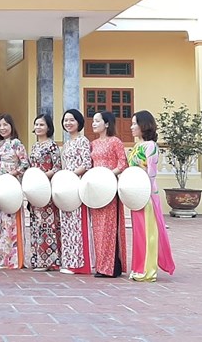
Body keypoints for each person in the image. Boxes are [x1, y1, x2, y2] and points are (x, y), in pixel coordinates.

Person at [128, 110, 176, 282]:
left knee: (148, 231)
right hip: (135, 194)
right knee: (138, 233)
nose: (132, 127)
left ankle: (148, 270)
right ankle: (138, 267)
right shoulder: (136, 146)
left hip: (146, 194)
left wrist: (144, 190)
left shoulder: (151, 146)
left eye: (135, 123)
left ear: (144, 125)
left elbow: (151, 173)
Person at [88, 111, 130, 278]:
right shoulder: (93, 144)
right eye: (93, 121)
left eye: (97, 121)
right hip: (96, 189)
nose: (93, 123)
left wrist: (108, 175)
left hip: (110, 187)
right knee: (98, 228)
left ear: (106, 124)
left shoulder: (115, 142)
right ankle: (100, 265)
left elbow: (123, 163)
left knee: (109, 228)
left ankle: (111, 267)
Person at [59, 109, 94, 275]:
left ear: (79, 122)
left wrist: (71, 176)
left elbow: (86, 164)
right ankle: (70, 262)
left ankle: (81, 265)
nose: (68, 123)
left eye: (71, 120)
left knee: (78, 225)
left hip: (77, 185)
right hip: (67, 187)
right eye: (66, 120)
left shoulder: (83, 141)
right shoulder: (66, 144)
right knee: (67, 226)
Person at [27, 114, 62, 272]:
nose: (38, 127)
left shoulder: (52, 146)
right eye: (36, 124)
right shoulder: (34, 146)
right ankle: (38, 259)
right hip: (35, 189)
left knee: (47, 225)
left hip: (46, 188)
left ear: (48, 127)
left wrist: (42, 177)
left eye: (42, 124)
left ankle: (50, 261)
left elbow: (57, 167)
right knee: (36, 224)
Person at [0, 113, 28, 269]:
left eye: (5, 125)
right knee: (1, 222)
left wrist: (11, 174)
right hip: (0, 186)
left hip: (12, 186)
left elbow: (25, 164)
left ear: (11, 126)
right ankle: (3, 258)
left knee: (11, 221)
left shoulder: (16, 143)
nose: (2, 128)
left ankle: (14, 260)